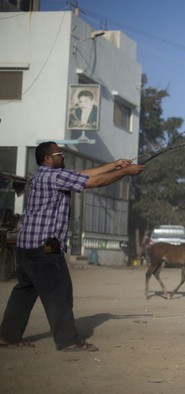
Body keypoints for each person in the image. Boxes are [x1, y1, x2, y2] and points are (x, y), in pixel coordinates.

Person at [0, 142, 145, 352]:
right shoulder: (54, 177)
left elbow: (84, 173)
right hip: (45, 245)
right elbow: (95, 182)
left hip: (27, 245)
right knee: (60, 291)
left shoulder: (42, 175)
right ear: (47, 159)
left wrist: (115, 164)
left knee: (24, 290)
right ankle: (68, 341)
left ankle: (7, 336)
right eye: (59, 154)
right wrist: (125, 172)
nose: (63, 157)